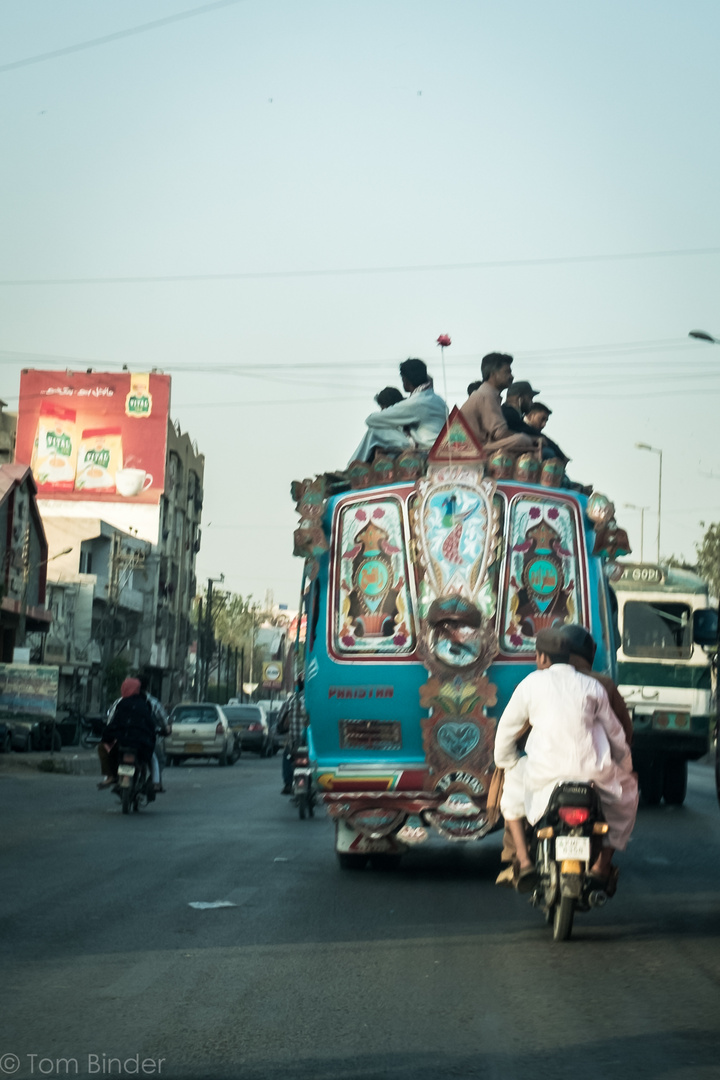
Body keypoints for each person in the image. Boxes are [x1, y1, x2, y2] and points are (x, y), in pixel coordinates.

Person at [494, 628, 638, 892]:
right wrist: (626, 768)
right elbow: (620, 734)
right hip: (594, 773)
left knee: (512, 789)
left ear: (542, 658)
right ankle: (602, 865)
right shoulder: (599, 685)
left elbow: (508, 730)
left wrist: (507, 760)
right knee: (626, 799)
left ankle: (521, 861)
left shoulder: (532, 683)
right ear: (590, 654)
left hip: (544, 773)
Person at [349, 358, 447, 464]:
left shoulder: (416, 402)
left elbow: (371, 420)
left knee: (375, 431)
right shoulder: (439, 400)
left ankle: (352, 468)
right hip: (439, 448)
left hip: (424, 450)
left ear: (405, 380)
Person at [460, 354, 540, 453]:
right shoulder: (486, 395)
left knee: (523, 439)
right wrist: (533, 439)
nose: (511, 376)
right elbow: (501, 434)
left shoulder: (488, 394)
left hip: (480, 446)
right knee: (522, 439)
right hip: (474, 450)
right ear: (493, 374)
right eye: (507, 372)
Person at [97, 677, 158, 791]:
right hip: (141, 743)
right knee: (152, 756)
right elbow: (151, 724)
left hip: (123, 740)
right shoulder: (146, 703)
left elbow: (113, 722)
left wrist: (107, 736)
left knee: (102, 747)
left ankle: (110, 776)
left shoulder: (121, 703)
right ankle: (155, 782)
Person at [277, 677, 307, 795]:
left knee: (287, 756)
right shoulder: (315, 700)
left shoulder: (291, 701)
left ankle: (288, 784)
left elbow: (281, 720)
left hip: (295, 741)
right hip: (312, 742)